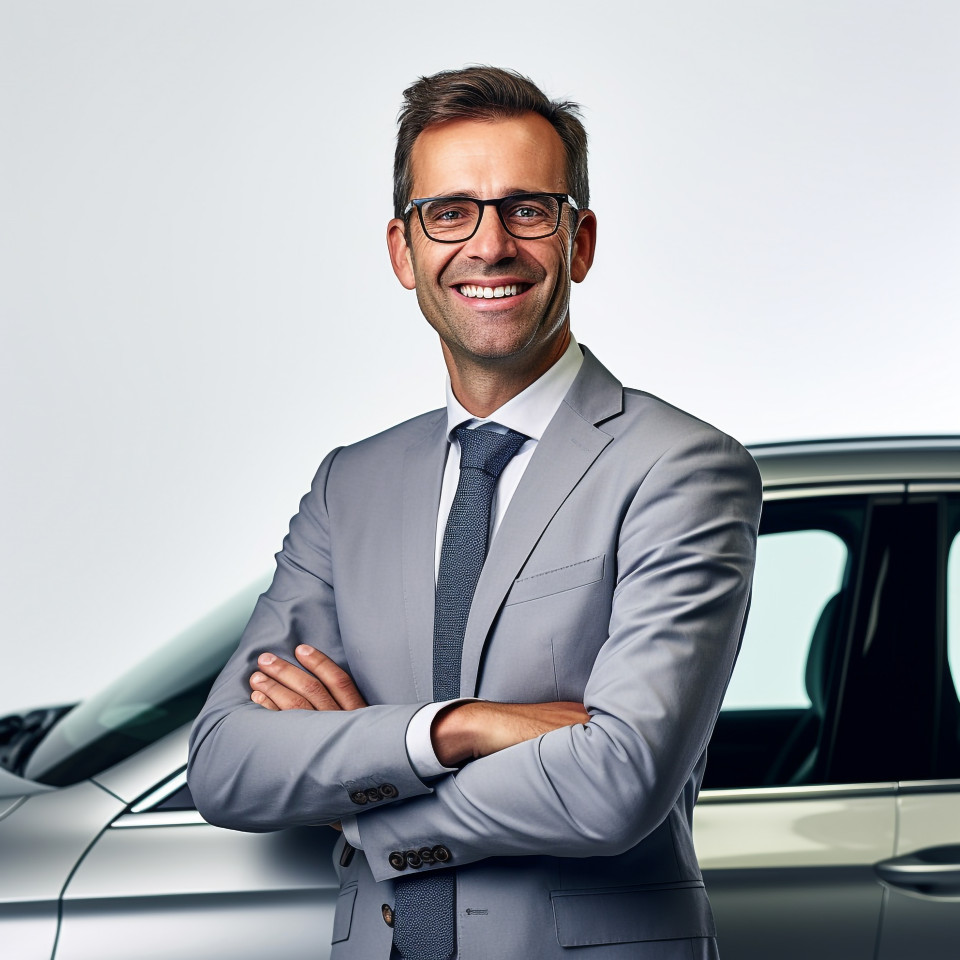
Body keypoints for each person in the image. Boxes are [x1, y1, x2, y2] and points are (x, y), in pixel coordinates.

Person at [188, 65, 762, 960]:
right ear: (402, 251)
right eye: (449, 213)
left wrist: (363, 791)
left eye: (528, 210)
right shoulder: (352, 485)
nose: (489, 246)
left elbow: (618, 782)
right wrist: (456, 727)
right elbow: (225, 764)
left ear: (579, 243)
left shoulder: (682, 468)